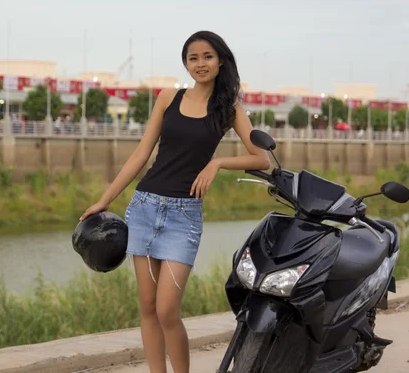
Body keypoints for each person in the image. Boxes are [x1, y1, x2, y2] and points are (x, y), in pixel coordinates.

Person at [79, 30, 271, 373]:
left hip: (184, 217)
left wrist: (218, 162)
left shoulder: (229, 109)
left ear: (221, 60)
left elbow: (263, 159)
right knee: (148, 306)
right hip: (144, 206)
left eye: (207, 56)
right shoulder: (168, 97)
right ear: (186, 63)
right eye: (193, 58)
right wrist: (104, 200)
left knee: (167, 309)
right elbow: (141, 154)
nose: (200, 63)